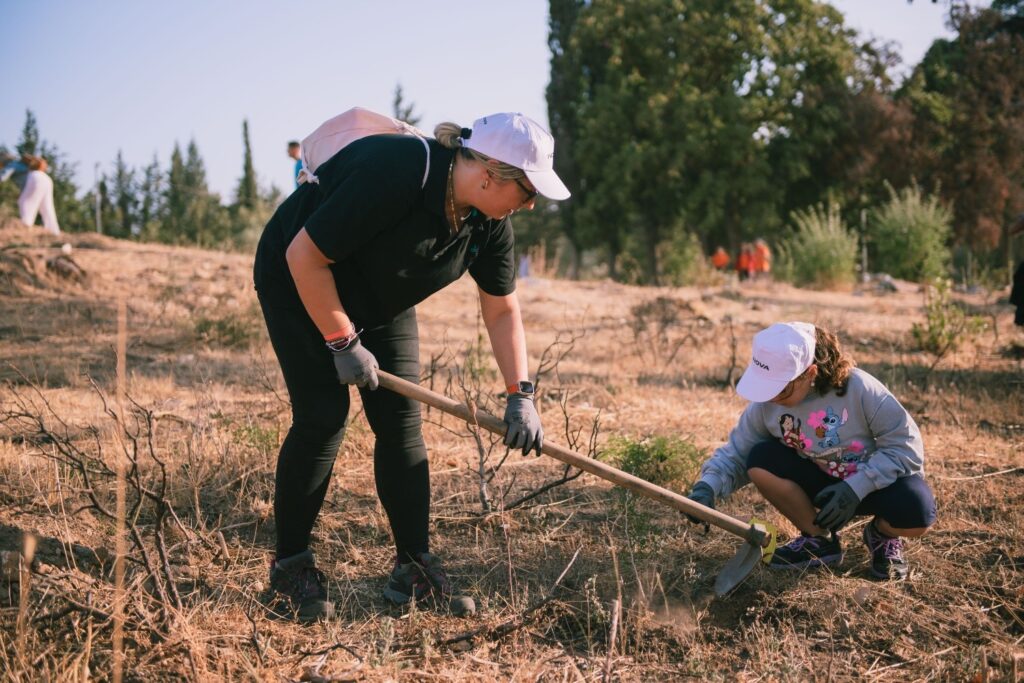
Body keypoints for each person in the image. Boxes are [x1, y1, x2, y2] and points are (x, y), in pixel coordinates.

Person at [253, 112, 570, 621]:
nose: (531, 204)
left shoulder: (489, 223)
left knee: (401, 423)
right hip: (299, 279)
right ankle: (291, 568)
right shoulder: (398, 171)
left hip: (379, 298)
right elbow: (304, 256)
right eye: (528, 190)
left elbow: (501, 307)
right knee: (323, 418)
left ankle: (413, 570)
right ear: (490, 171)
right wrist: (341, 341)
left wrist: (521, 394)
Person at [685, 322, 936, 581]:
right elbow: (737, 454)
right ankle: (819, 540)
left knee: (918, 511)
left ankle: (882, 534)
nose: (771, 397)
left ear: (809, 372)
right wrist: (707, 487)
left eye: (781, 388)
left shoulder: (860, 389)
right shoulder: (766, 405)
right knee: (761, 457)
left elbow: (906, 446)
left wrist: (856, 487)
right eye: (766, 386)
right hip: (822, 485)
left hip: (873, 485)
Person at [1, 153, 60, 235]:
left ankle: (25, 230)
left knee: (25, 204)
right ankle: (54, 232)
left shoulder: (11, 164)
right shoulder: (21, 164)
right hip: (45, 178)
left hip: (33, 179)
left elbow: (2, 177)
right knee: (47, 207)